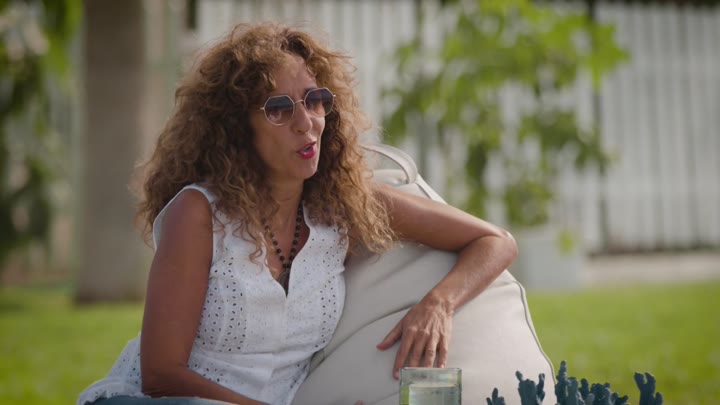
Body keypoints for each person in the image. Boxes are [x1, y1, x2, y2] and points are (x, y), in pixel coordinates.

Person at [77, 22, 518, 405]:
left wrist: (438, 305)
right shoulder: (198, 213)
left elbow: (495, 241)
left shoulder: (344, 205)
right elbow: (161, 377)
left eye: (314, 100)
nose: (306, 122)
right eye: (279, 109)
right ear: (237, 128)